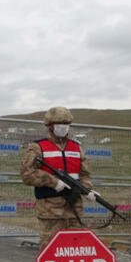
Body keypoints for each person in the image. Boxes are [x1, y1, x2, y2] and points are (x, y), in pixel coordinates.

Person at [20, 106, 99, 249]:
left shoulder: (76, 147)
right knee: (51, 250)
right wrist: (53, 182)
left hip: (74, 209)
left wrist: (87, 189)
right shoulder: (37, 147)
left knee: (76, 250)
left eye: (66, 124)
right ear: (50, 126)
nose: (63, 127)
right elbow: (27, 174)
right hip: (51, 210)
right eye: (59, 124)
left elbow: (84, 174)